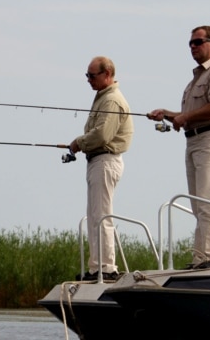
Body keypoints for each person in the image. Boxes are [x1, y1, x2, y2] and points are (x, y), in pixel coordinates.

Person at [148, 25, 210, 269]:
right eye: (190, 43)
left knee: (208, 200)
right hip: (193, 140)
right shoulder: (195, 78)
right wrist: (167, 114)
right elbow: (189, 114)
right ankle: (202, 257)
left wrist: (185, 118)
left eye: (198, 42)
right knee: (197, 203)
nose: (193, 47)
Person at [70, 56, 134, 281]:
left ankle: (106, 268)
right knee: (95, 214)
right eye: (87, 75)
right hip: (97, 161)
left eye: (92, 75)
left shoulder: (111, 100)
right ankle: (96, 267)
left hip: (106, 160)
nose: (88, 80)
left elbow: (102, 135)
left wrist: (79, 142)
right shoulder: (102, 98)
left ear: (107, 74)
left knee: (102, 214)